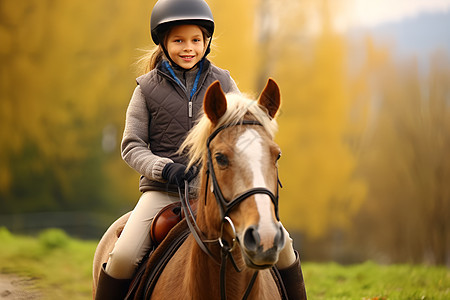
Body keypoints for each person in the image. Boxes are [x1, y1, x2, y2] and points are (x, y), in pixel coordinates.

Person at [95, 0, 306, 299]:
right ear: (164, 43)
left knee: (283, 248)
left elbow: (240, 134)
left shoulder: (223, 81)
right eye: (178, 40)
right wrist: (165, 169)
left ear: (206, 42)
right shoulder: (145, 89)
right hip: (162, 191)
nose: (188, 48)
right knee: (123, 258)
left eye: (195, 40)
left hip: (220, 191)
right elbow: (131, 146)